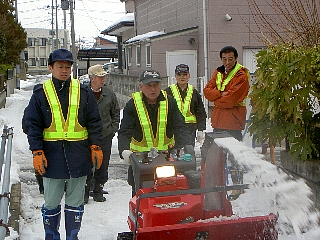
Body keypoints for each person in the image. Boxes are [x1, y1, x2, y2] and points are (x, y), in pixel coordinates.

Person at [24, 49, 104, 240]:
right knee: (51, 202)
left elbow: (94, 121)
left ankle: (72, 236)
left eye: (68, 66)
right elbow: (32, 124)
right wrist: (36, 151)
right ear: (50, 67)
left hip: (79, 156)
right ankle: (51, 236)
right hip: (51, 158)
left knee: (75, 203)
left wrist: (96, 146)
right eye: (60, 66)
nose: (64, 70)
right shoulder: (41, 92)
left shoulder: (83, 91)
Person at [118, 69, 192, 196]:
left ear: (160, 85)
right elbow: (125, 131)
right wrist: (125, 151)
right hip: (141, 160)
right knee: (141, 196)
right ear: (140, 86)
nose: (153, 89)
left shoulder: (170, 102)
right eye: (149, 85)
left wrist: (185, 147)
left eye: (156, 85)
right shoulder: (133, 105)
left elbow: (180, 127)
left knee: (170, 193)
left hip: (166, 158)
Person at [203, 46, 250, 200]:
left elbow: (231, 99)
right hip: (218, 122)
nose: (227, 62)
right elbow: (206, 91)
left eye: (230, 59)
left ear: (236, 58)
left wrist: (217, 99)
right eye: (224, 59)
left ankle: (237, 187)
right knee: (213, 155)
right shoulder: (218, 72)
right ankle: (214, 186)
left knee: (234, 157)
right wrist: (219, 94)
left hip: (233, 122)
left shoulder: (241, 75)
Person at [85, 64, 120, 203]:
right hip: (86, 136)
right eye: (100, 77)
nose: (103, 79)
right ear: (92, 78)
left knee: (103, 164)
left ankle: (98, 190)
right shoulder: (83, 93)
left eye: (104, 76)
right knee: (87, 164)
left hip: (105, 134)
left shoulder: (109, 93)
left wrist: (113, 129)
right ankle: (85, 191)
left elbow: (115, 112)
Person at [165, 64, 207, 146]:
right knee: (173, 152)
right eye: (179, 75)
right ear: (175, 76)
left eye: (185, 74)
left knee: (188, 152)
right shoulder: (168, 92)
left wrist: (201, 129)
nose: (182, 77)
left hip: (190, 128)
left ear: (189, 76)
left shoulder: (194, 92)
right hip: (173, 127)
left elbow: (200, 111)